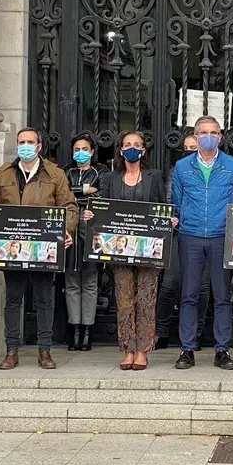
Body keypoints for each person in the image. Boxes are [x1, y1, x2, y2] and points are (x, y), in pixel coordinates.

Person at [0, 127, 78, 371]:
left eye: (30, 142)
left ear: (39, 146)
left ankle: (44, 351)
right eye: (21, 142)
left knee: (44, 299)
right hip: (12, 248)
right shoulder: (3, 173)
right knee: (13, 299)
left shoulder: (54, 174)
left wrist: (67, 231)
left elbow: (69, 206)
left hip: (43, 248)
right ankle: (12, 351)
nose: (25, 146)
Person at [170, 115, 233, 370]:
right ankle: (187, 349)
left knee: (223, 296)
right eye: (204, 132)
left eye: (214, 132)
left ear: (221, 137)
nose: (209, 136)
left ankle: (222, 350)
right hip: (190, 235)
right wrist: (183, 220)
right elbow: (177, 203)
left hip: (221, 236)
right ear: (195, 135)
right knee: (189, 294)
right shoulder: (182, 167)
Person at [88, 131, 166, 371]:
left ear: (144, 150)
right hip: (119, 250)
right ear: (120, 150)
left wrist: (169, 220)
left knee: (146, 299)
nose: (132, 148)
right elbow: (102, 208)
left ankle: (143, 350)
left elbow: (162, 206)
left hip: (148, 249)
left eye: (137, 145)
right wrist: (92, 215)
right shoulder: (110, 178)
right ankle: (127, 349)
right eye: (127, 145)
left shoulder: (155, 177)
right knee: (123, 301)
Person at [156, 133, 210, 350]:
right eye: (186, 148)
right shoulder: (176, 170)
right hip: (180, 233)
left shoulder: (214, 170)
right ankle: (161, 332)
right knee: (170, 284)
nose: (189, 151)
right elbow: (170, 198)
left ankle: (196, 334)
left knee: (203, 286)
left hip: (205, 233)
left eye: (193, 147)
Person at [64, 133, 108, 351]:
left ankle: (87, 330)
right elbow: (63, 195)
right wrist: (84, 190)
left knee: (90, 281)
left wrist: (82, 195)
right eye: (76, 149)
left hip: (91, 227)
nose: (80, 153)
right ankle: (74, 328)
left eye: (84, 149)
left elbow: (101, 196)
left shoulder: (101, 172)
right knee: (71, 281)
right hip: (70, 224)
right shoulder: (66, 172)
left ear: (92, 151)